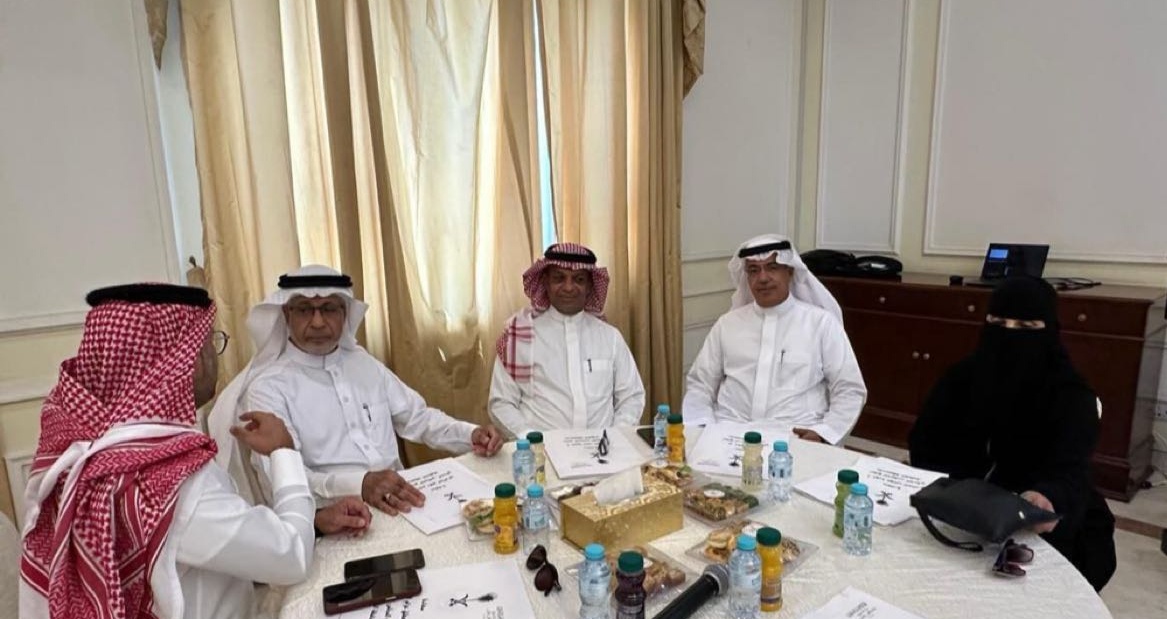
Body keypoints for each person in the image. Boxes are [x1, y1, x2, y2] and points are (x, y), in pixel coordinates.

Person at [19, 283, 370, 619]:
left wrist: (313, 522)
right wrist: (284, 452)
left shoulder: (78, 453)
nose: (215, 361)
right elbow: (290, 559)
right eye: (211, 344)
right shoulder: (169, 481)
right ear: (182, 359)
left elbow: (209, 546)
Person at [209, 265, 503, 518]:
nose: (317, 321)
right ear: (287, 314)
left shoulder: (364, 364)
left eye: (328, 309)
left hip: (401, 504)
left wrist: (470, 434)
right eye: (305, 310)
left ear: (345, 312)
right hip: (332, 519)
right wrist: (359, 484)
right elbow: (284, 478)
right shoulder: (267, 388)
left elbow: (419, 418)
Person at [908, 277, 1116, 590]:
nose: (1009, 334)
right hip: (962, 507)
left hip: (1037, 518)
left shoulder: (1071, 395)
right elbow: (925, 441)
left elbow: (1072, 469)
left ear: (1050, 330)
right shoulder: (962, 377)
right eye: (997, 323)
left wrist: (1047, 496)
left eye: (1026, 326)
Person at [683, 234, 867, 445]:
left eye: (772, 267)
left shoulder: (821, 323)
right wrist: (701, 426)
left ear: (790, 272)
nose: (763, 278)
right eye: (754, 270)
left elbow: (849, 389)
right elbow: (700, 384)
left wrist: (825, 433)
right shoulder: (727, 324)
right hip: (729, 432)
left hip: (796, 437)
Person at [489, 243, 646, 438]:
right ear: (545, 282)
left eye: (579, 279)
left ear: (589, 286)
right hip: (540, 450)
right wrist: (531, 439)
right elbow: (501, 403)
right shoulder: (519, 336)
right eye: (559, 278)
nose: (569, 287)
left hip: (603, 448)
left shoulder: (610, 337)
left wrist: (614, 438)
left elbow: (631, 397)